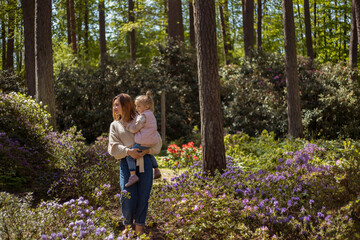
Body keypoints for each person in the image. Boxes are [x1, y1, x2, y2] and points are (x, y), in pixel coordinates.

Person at [107, 93, 162, 235]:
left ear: (127, 105)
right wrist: (128, 151)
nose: (114, 107)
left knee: (143, 198)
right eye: (114, 105)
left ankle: (138, 232)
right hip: (127, 164)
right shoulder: (115, 125)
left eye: (117, 104)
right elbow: (113, 147)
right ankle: (127, 229)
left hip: (146, 163)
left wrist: (147, 150)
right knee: (127, 196)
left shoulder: (141, 119)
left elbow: (157, 140)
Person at [123, 91, 161, 187]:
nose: (137, 108)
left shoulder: (143, 116)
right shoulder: (151, 115)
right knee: (148, 152)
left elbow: (135, 128)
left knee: (129, 155)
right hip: (152, 141)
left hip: (143, 140)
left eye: (138, 106)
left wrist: (127, 126)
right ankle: (156, 169)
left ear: (147, 106)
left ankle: (133, 175)